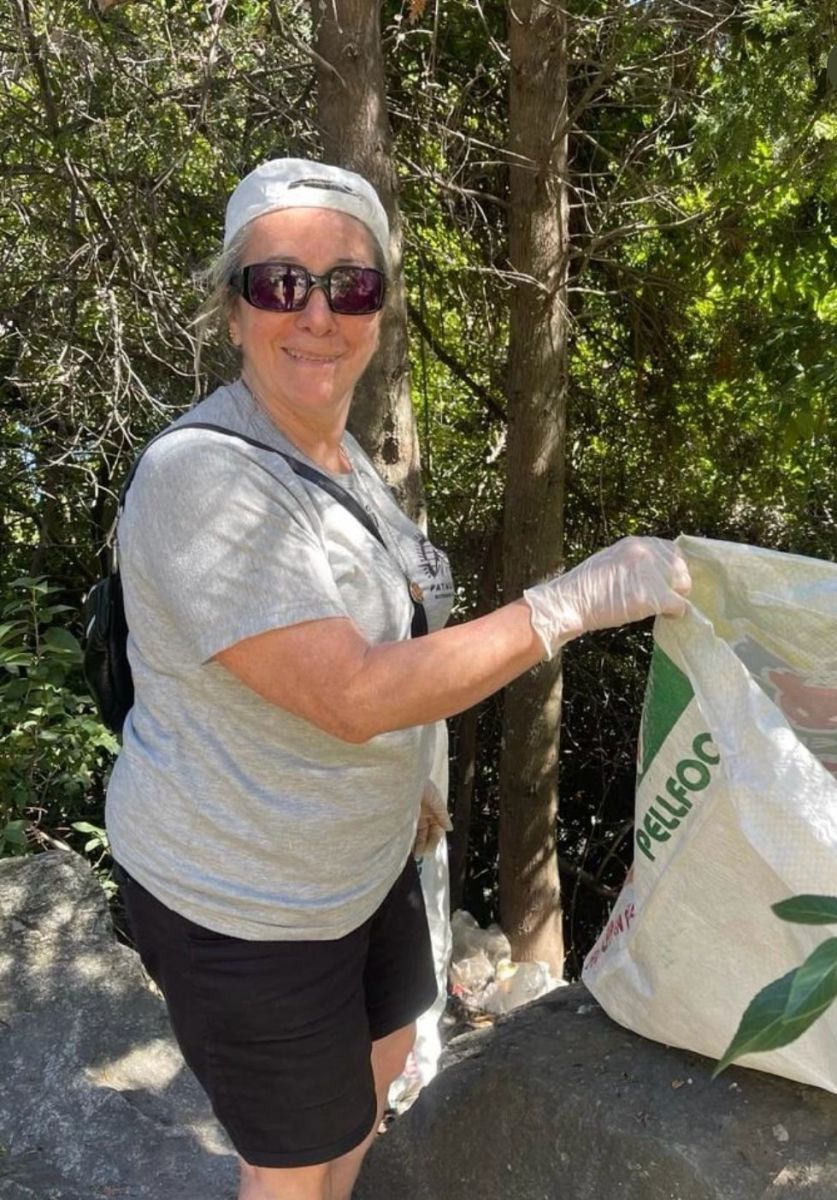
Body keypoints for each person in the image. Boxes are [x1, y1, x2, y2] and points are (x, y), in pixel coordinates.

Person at [105, 157, 691, 1200]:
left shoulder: (341, 460)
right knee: (289, 1170)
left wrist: (413, 779)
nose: (317, 313)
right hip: (245, 900)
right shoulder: (202, 475)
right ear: (234, 310)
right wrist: (568, 605)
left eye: (351, 284)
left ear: (378, 310)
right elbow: (354, 692)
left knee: (369, 1090)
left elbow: (389, 635)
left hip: (363, 864)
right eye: (280, 283)